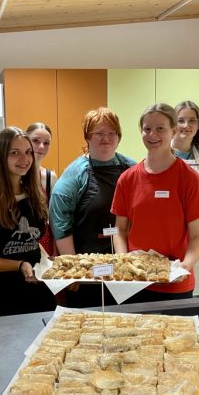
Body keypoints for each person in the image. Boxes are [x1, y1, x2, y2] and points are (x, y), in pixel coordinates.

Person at [112, 103, 199, 301]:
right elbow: (120, 230)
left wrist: (185, 266)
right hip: (136, 280)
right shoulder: (127, 178)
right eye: (147, 129)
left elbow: (197, 236)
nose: (152, 134)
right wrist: (123, 260)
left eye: (160, 128)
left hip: (174, 282)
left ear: (173, 131)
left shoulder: (189, 178)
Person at [49, 108, 135, 307]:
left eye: (111, 133)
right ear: (87, 137)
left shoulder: (132, 169)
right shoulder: (74, 175)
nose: (106, 138)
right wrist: (74, 268)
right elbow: (60, 223)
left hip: (127, 265)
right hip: (87, 267)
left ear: (119, 137)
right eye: (99, 133)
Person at [0, 127, 56, 317]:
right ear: (1, 157)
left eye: (28, 152)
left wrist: (49, 262)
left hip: (39, 283)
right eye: (14, 153)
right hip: (7, 291)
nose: (24, 159)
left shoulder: (34, 195)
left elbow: (32, 241)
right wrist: (18, 265)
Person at [172, 101, 199, 297]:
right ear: (172, 124)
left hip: (194, 229)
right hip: (167, 227)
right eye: (180, 120)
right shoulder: (162, 153)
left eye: (192, 121)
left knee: (195, 286)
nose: (186, 126)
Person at [26, 122, 58, 256]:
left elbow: (55, 218)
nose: (41, 147)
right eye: (35, 141)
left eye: (46, 143)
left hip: (44, 240)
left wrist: (56, 252)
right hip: (20, 241)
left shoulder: (50, 177)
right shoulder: (14, 176)